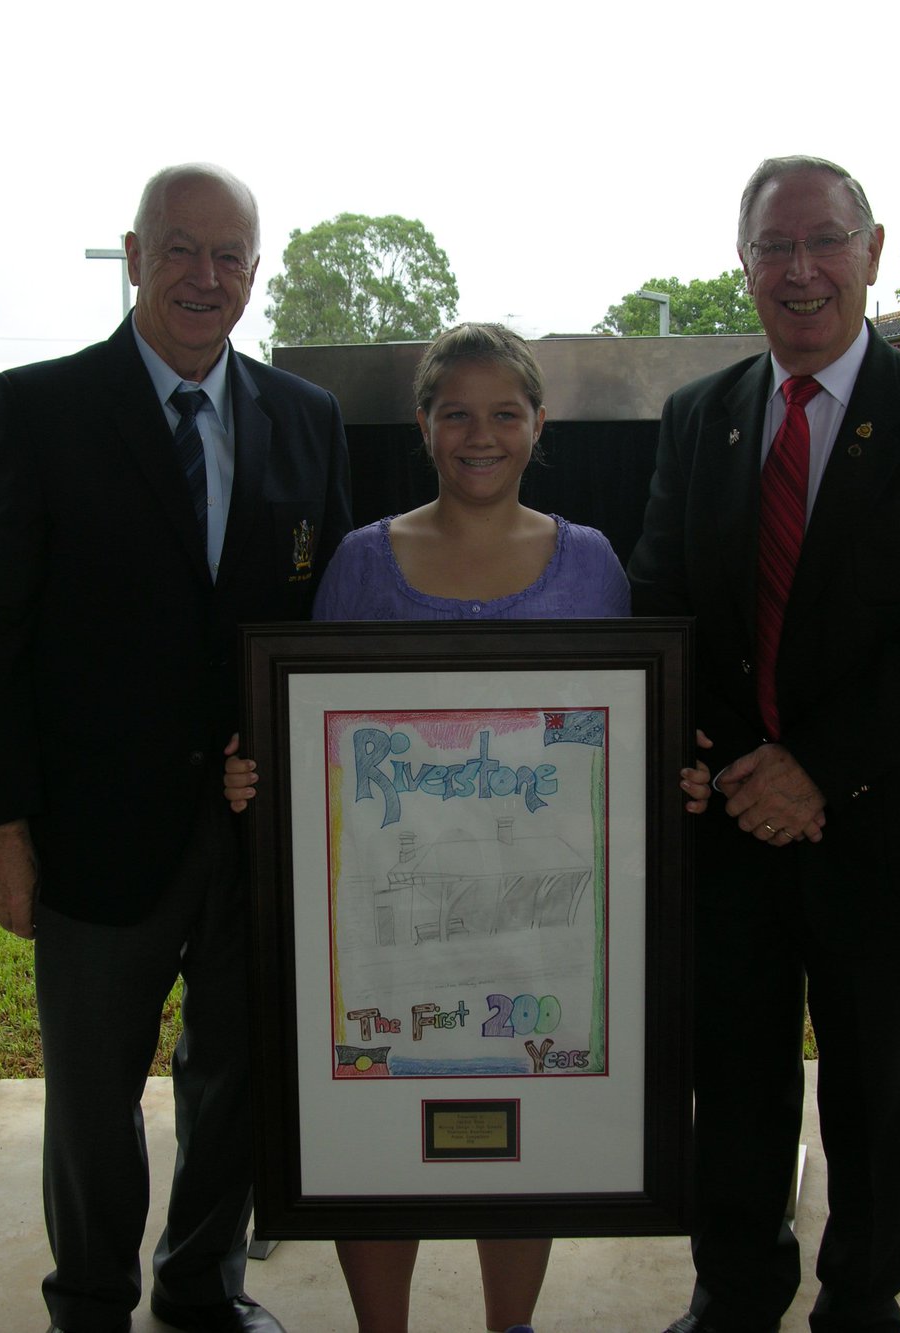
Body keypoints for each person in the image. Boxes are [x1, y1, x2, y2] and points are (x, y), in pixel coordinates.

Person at [225, 321, 712, 1333]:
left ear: (539, 422)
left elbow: (621, 736)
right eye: (456, 414)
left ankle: (510, 1326)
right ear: (423, 425)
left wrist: (668, 776)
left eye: (503, 413)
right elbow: (314, 734)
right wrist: (259, 771)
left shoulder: (591, 564)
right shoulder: (361, 563)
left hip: (540, 927)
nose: (479, 435)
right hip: (386, 931)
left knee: (521, 1134)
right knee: (372, 1134)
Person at [0, 164, 352, 1333]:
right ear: (134, 255)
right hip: (90, 832)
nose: (204, 276)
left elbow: (324, 618)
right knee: (91, 1094)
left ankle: (200, 1286)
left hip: (255, 826)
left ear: (255, 272)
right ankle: (89, 1300)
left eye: (229, 256)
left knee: (237, 1076)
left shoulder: (306, 418)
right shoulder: (38, 408)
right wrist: (5, 824)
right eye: (180, 248)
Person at [629, 156, 900, 1333]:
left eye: (823, 240)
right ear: (744, 264)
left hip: (883, 823)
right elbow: (661, 602)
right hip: (730, 826)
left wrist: (816, 766)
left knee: (879, 1092)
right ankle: (735, 1292)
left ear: (872, 250)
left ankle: (861, 1303)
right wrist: (725, 760)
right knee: (733, 1084)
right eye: (773, 246)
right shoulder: (697, 417)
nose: (799, 269)